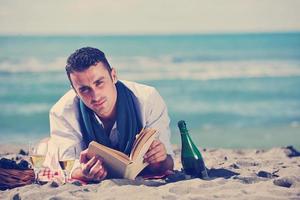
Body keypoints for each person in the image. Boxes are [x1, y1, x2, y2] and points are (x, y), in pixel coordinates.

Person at [46, 47, 174, 182]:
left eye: (99, 83)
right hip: (54, 152)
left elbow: (168, 163)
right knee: (47, 151)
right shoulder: (61, 112)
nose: (95, 96)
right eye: (84, 89)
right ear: (75, 91)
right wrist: (84, 173)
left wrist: (160, 158)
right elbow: (68, 168)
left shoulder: (148, 99)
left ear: (113, 76)